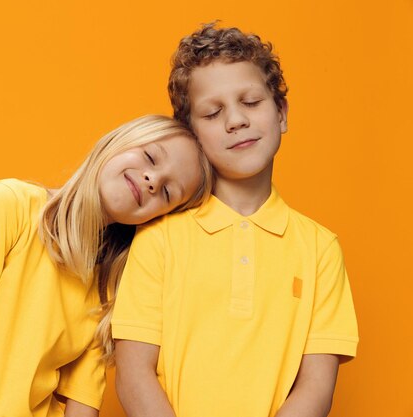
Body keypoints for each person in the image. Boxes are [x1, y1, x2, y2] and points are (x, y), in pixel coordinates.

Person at [111, 23, 359, 417]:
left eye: (250, 102)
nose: (236, 121)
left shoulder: (320, 249)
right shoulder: (158, 238)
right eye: (213, 112)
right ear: (192, 135)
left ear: (281, 114)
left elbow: (316, 386)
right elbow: (133, 372)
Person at [0, 114, 212, 417]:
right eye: (151, 157)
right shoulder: (9, 205)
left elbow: (81, 406)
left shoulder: (109, 294)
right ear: (117, 141)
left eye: (168, 191)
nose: (152, 180)